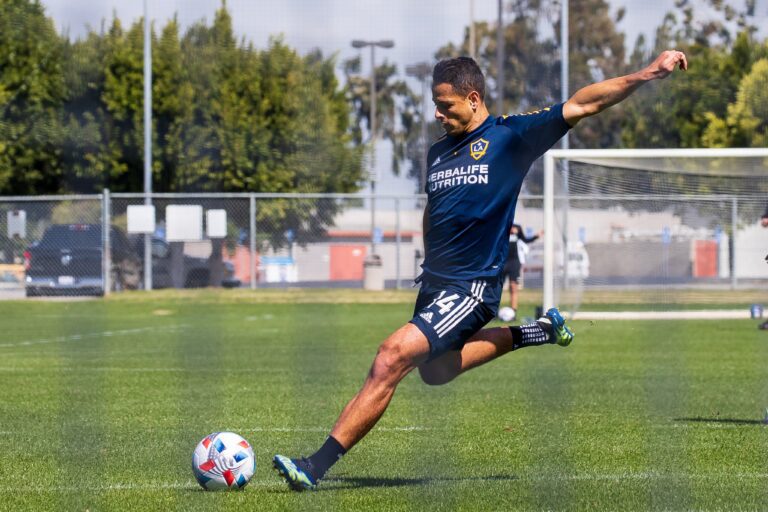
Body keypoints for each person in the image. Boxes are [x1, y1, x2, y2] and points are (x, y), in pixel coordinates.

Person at [273, 50, 689, 491]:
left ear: (473, 99)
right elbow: (434, 214)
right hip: (435, 284)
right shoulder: (436, 153)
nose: (437, 114)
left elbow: (583, 103)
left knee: (391, 357)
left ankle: (314, 466)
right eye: (435, 104)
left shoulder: (511, 136)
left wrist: (647, 73)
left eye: (445, 105)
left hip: (474, 287)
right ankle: (540, 331)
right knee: (437, 372)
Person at [504, 224, 543, 317]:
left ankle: (513, 312)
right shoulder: (502, 224)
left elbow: (525, 240)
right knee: (496, 287)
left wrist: (536, 236)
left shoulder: (517, 227)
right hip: (502, 261)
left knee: (513, 286)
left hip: (514, 262)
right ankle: (494, 312)